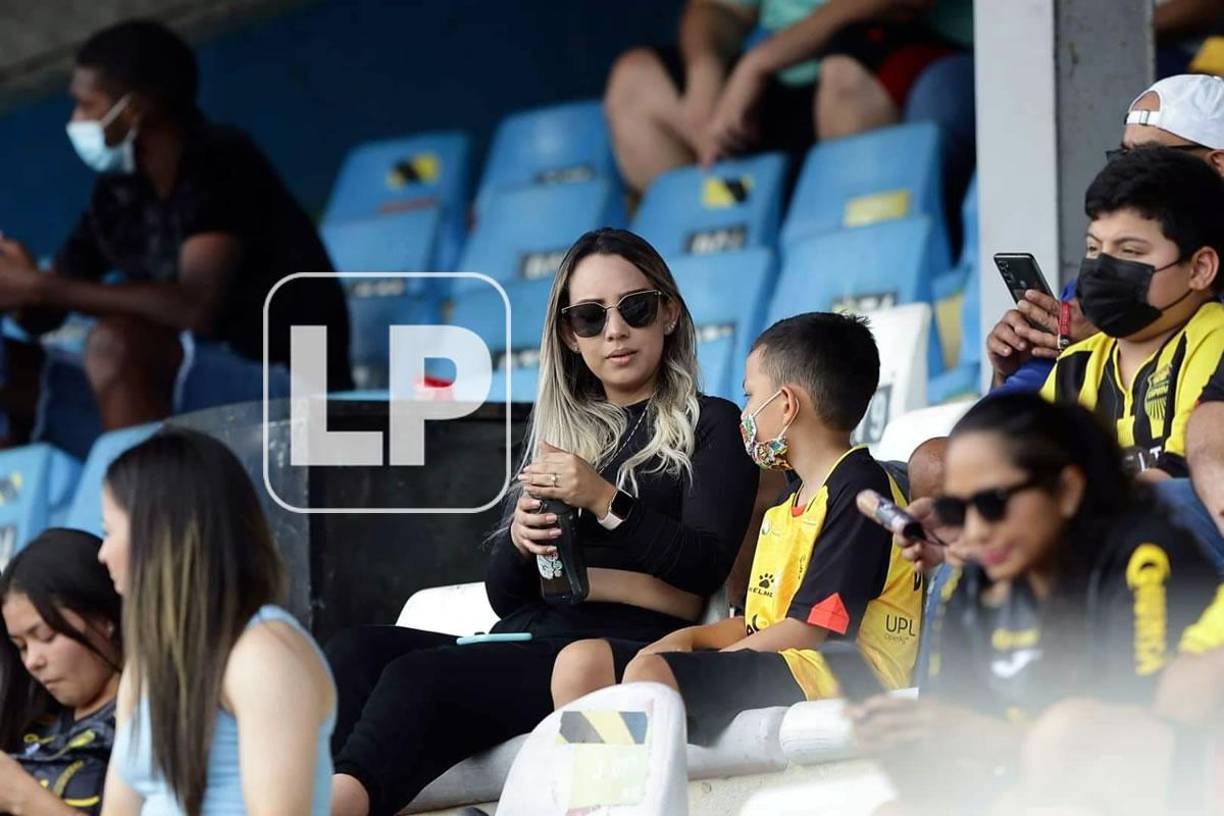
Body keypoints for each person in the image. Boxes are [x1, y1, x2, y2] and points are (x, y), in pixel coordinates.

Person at [325, 228, 759, 816]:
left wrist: (607, 500)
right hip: (536, 632)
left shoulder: (712, 423)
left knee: (417, 680)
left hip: (615, 647)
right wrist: (522, 545)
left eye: (634, 308)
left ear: (669, 313)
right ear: (568, 335)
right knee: (355, 652)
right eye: (589, 317)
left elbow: (703, 565)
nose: (615, 330)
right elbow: (507, 597)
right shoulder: (568, 433)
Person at [550, 312, 923, 743]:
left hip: (841, 674)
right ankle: (594, 804)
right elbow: (762, 624)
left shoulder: (861, 490)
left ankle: (627, 795)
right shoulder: (786, 501)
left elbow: (811, 629)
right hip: (787, 659)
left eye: (750, 397)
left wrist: (710, 658)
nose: (745, 413)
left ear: (786, 404)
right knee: (582, 662)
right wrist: (690, 638)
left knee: (652, 673)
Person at [850, 394, 1223, 815]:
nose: (974, 530)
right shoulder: (972, 584)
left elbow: (1114, 744)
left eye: (992, 504)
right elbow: (964, 756)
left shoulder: (1143, 558)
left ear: (1066, 490)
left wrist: (983, 738)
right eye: (957, 509)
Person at [0, 20, 351, 440]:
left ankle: (154, 502)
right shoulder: (117, 193)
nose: (75, 120)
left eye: (86, 105)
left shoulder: (223, 163)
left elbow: (195, 307)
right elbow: (51, 308)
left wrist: (42, 286)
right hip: (185, 393)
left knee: (117, 343)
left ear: (133, 110)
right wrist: (20, 289)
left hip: (295, 386)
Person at [96, 429, 336, 815]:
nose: (102, 554)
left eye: (109, 532)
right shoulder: (146, 664)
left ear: (160, 533)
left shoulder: (262, 654)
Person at [987, 74, 1224, 396]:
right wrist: (1009, 371)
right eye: (1123, 156)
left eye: (1148, 156)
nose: (1129, 172)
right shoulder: (1101, 279)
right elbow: (999, 425)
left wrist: (1115, 333)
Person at [604, 0, 973, 194]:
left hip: (907, 59)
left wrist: (758, 63)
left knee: (845, 73)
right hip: (782, 82)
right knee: (636, 82)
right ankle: (704, 268)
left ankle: (858, 263)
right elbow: (719, 8)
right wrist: (705, 74)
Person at [1037, 146, 1224, 482]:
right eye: (1094, 248)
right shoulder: (1075, 364)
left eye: (1129, 251)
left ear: (1200, 268)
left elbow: (1179, 477)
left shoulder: (1216, 339)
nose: (1100, 267)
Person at [1, 528, 123, 816]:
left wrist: (24, 799)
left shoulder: (148, 720)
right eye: (20, 646)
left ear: (104, 618)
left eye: (45, 636)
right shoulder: (29, 714)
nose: (32, 661)